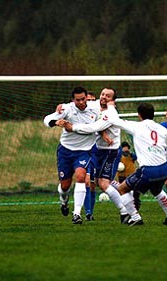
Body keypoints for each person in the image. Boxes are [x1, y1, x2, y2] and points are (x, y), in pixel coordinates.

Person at [61, 88, 130, 224]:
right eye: (103, 94)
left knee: (103, 183)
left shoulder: (111, 113)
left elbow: (93, 128)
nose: (104, 97)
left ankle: (125, 212)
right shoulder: (96, 105)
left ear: (113, 100)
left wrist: (72, 127)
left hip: (110, 152)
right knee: (91, 182)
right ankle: (84, 213)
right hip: (95, 150)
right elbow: (77, 104)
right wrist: (62, 107)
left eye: (108, 96)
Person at [111, 102, 167, 226]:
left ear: (139, 115)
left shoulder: (137, 126)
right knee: (157, 190)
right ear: (153, 114)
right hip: (164, 169)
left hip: (148, 170)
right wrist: (162, 157)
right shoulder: (162, 129)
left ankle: (135, 217)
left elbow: (116, 121)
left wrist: (109, 107)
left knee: (122, 189)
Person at [43, 86, 99, 224]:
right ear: (72, 100)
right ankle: (64, 201)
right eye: (77, 100)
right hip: (66, 151)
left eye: (83, 99)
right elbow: (47, 119)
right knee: (65, 186)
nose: (81, 102)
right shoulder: (67, 109)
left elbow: (109, 108)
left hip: (84, 151)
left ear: (87, 97)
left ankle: (77, 214)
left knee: (81, 176)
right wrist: (56, 122)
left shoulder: (95, 108)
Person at [84, 92, 97, 221]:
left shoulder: (97, 115)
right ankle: (87, 211)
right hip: (83, 152)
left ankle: (90, 212)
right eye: (89, 100)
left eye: (94, 100)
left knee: (93, 184)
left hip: (95, 152)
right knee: (85, 182)